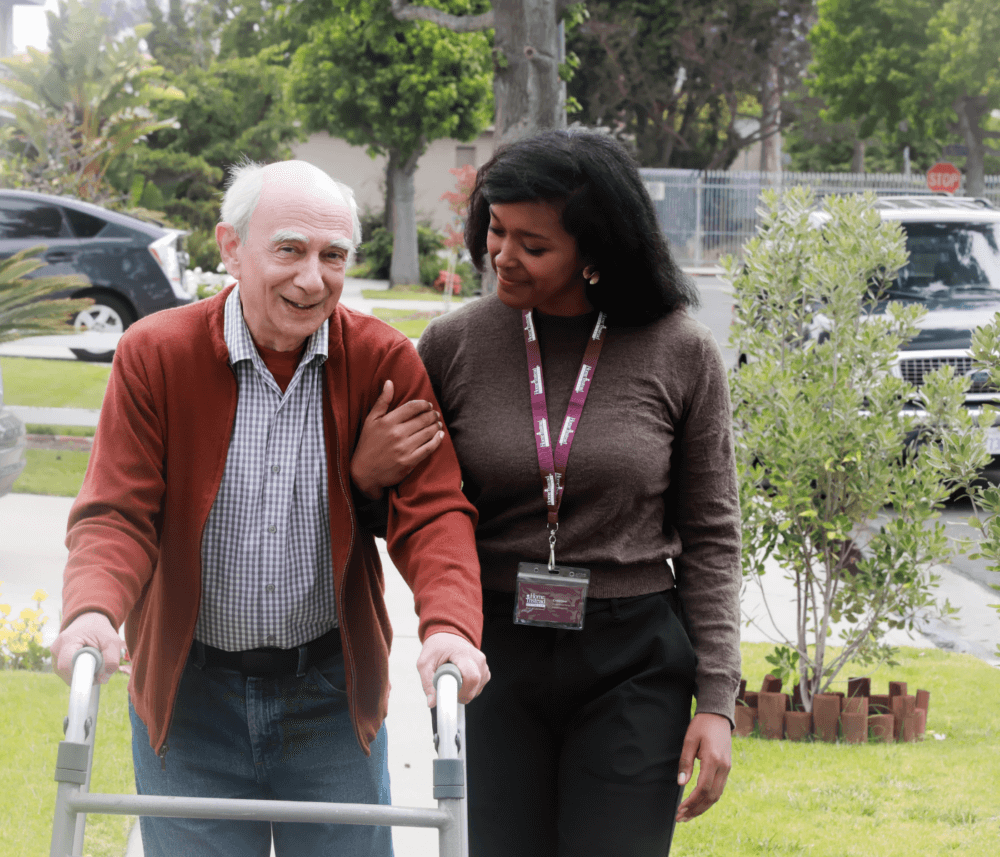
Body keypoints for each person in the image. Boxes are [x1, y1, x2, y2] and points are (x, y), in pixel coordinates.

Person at [49, 159, 490, 857]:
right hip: (190, 700)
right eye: (289, 249)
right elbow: (117, 511)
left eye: (333, 255)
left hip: (329, 697)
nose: (312, 278)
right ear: (231, 248)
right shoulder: (155, 355)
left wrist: (450, 626)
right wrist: (93, 610)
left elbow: (432, 511)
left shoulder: (382, 361)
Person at [415, 130, 743, 856]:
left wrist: (717, 699)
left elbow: (713, 535)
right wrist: (373, 472)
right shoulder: (452, 345)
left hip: (633, 658)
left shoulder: (680, 349)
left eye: (533, 245)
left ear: (596, 251)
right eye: (495, 230)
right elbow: (411, 510)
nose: (502, 255)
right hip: (493, 650)